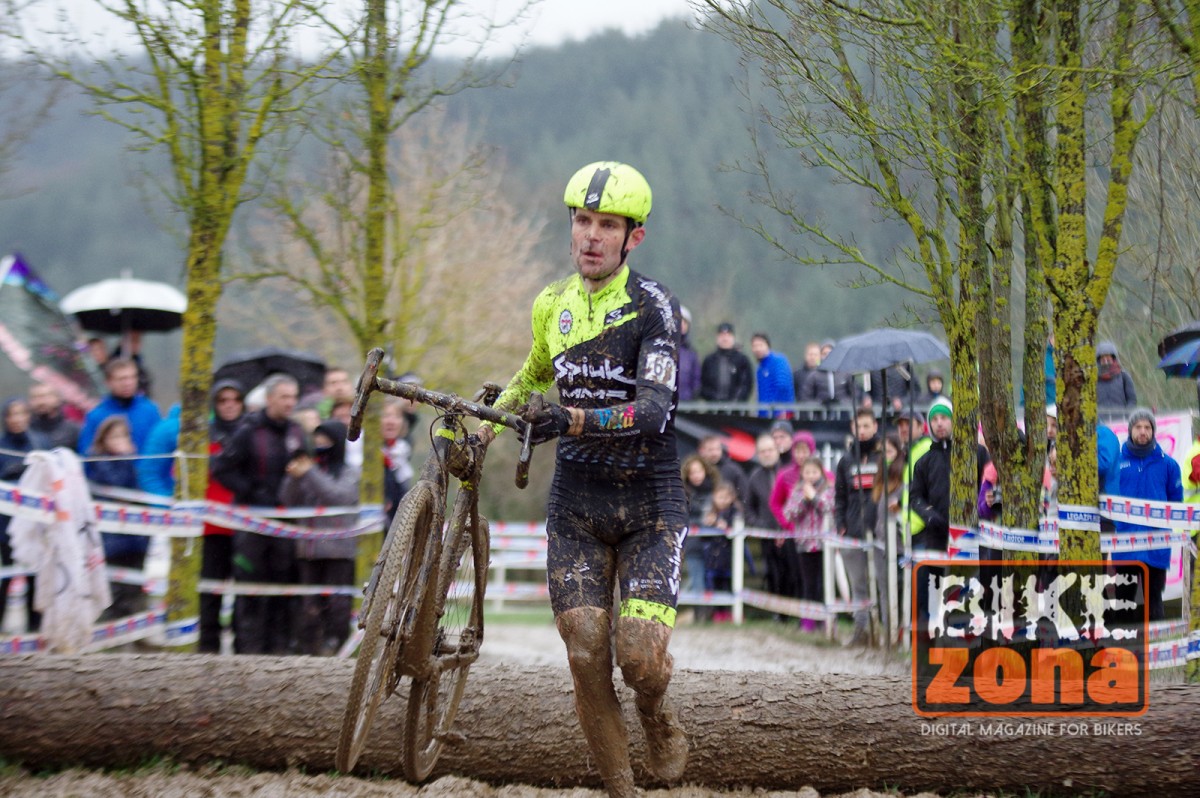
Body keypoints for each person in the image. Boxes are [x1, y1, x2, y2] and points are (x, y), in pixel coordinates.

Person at [478, 161, 688, 796]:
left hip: (650, 502)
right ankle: (619, 787)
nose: (591, 236)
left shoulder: (653, 308)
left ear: (634, 237)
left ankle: (654, 711)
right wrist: (485, 425)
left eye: (607, 225)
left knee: (639, 658)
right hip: (577, 504)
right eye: (581, 221)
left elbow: (653, 411)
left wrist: (569, 419)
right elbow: (532, 375)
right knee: (585, 648)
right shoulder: (552, 305)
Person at [212, 373, 306, 655]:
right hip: (252, 524)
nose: (290, 403)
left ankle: (278, 649)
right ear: (269, 399)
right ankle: (247, 649)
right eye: (284, 397)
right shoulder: (248, 431)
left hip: (285, 522)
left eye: (293, 397)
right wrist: (251, 491)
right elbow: (220, 469)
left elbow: (306, 466)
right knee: (251, 586)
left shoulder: (296, 432)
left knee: (282, 585)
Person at [281, 419, 360, 656]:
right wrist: (295, 476)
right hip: (309, 548)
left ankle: (337, 643)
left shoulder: (350, 472)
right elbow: (287, 499)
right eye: (316, 440)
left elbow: (337, 496)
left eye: (325, 440)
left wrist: (310, 472)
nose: (319, 445)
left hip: (339, 549)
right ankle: (309, 646)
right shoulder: (308, 471)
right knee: (309, 604)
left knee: (338, 604)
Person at [1110, 408, 1182, 621]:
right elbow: (1108, 500)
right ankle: (1123, 649)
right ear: (1131, 430)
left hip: (1156, 546)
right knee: (1124, 601)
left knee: (1154, 602)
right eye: (1138, 427)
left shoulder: (1169, 465)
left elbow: (1175, 503)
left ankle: (1157, 649)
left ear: (1153, 431)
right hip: (1125, 545)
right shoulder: (1116, 464)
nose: (1143, 431)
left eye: (1147, 427)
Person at [198, 378, 246, 654]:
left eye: (235, 400)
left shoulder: (249, 434)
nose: (229, 406)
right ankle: (207, 646)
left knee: (244, 590)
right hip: (212, 526)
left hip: (244, 524)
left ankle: (241, 645)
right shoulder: (204, 435)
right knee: (210, 590)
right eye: (223, 401)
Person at [86, 415, 149, 621]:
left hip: (135, 537)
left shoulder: (134, 461)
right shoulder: (96, 462)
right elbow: (116, 486)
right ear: (103, 440)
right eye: (114, 436)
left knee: (135, 589)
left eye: (123, 435)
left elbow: (139, 491)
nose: (120, 440)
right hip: (111, 538)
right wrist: (124, 457)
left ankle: (137, 635)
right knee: (114, 591)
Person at [833, 405, 883, 646]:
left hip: (881, 531)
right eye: (858, 426)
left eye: (866, 426)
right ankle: (861, 630)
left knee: (883, 582)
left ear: (875, 427)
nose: (862, 431)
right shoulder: (845, 460)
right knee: (859, 585)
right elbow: (839, 497)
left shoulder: (884, 455)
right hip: (853, 530)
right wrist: (840, 524)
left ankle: (885, 630)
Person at [0, 398, 45, 633]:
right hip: (5, 526)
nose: (17, 419)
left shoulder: (40, 444)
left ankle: (34, 631)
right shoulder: (1, 446)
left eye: (21, 413)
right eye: (11, 414)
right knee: (6, 577)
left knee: (34, 579)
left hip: (34, 525)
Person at [782, 455, 834, 632]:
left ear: (821, 472)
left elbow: (829, 508)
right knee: (808, 583)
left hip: (824, 544)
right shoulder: (797, 491)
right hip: (805, 545)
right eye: (807, 472)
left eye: (814, 472)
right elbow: (789, 514)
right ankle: (808, 621)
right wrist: (804, 500)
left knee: (823, 583)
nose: (811, 476)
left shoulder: (828, 489)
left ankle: (824, 621)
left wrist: (814, 498)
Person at [745, 433, 794, 600]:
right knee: (773, 573)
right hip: (767, 536)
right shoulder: (754, 477)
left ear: (777, 450)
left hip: (792, 533)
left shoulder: (789, 472)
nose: (767, 454)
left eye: (770, 450)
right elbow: (749, 510)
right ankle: (778, 614)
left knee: (792, 572)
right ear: (758, 454)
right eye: (763, 451)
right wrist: (762, 525)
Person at [77, 358, 162, 455]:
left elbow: (160, 449)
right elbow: (87, 454)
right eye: (122, 379)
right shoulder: (96, 416)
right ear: (108, 382)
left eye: (133, 377)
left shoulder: (150, 410)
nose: (128, 383)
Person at [701, 481, 741, 622]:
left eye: (726, 497)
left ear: (731, 498)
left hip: (729, 559)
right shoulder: (710, 513)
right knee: (715, 586)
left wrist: (726, 527)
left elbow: (736, 532)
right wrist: (707, 524)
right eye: (719, 497)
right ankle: (717, 613)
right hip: (713, 560)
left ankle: (730, 612)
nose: (722, 501)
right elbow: (703, 538)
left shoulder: (735, 513)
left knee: (728, 585)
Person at [380, 397, 414, 529]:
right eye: (385, 416)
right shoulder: (360, 454)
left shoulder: (401, 452)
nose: (391, 422)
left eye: (397, 417)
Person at [699, 322, 754, 402]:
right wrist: (714, 399)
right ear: (717, 338)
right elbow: (703, 385)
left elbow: (746, 385)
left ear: (733, 338)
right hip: (712, 409)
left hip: (737, 411)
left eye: (728, 335)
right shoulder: (709, 361)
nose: (725, 338)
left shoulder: (742, 360)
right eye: (722, 335)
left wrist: (735, 402)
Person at [749, 332, 795, 414]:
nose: (757, 349)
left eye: (760, 345)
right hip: (764, 417)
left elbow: (783, 386)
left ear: (767, 345)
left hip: (781, 415)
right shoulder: (760, 369)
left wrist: (780, 411)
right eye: (755, 346)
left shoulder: (779, 361)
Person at [697, 433, 749, 505]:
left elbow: (746, 497)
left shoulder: (733, 470)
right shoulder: (694, 469)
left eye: (717, 449)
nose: (715, 453)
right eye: (710, 450)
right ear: (701, 451)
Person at [799, 339, 854, 405]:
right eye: (824, 353)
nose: (828, 356)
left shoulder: (845, 374)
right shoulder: (814, 375)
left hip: (843, 413)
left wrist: (842, 403)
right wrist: (820, 404)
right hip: (821, 414)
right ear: (820, 356)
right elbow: (805, 398)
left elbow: (856, 394)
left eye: (831, 353)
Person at [27, 382, 80, 451]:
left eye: (44, 396)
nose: (40, 402)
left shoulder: (73, 430)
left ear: (57, 399)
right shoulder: (26, 430)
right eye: (35, 397)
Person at [1096, 341, 1138, 410]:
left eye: (1108, 359)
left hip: (1121, 419)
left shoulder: (1124, 377)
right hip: (1099, 419)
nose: (1106, 362)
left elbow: (1132, 400)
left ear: (1113, 359)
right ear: (1099, 361)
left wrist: (1126, 414)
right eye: (1103, 360)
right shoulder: (1093, 380)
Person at [677, 306, 701, 402]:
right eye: (679, 321)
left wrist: (694, 395)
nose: (682, 325)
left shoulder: (691, 353)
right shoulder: (665, 350)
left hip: (686, 401)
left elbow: (696, 378)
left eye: (685, 322)